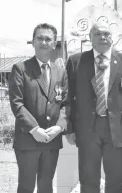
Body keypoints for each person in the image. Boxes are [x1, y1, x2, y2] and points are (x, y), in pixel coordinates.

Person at [65, 21, 122, 193]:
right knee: (88, 178)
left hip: (117, 130)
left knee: (116, 178)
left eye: (106, 34)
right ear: (90, 38)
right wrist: (69, 128)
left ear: (112, 39)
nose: (102, 37)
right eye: (98, 34)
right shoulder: (76, 61)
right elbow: (68, 98)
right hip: (87, 129)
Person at [8, 23, 69, 193]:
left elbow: (66, 103)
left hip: (52, 140)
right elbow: (17, 103)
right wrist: (34, 129)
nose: (43, 42)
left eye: (48, 39)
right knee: (26, 186)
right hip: (28, 139)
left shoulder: (61, 72)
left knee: (46, 186)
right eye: (39, 38)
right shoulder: (21, 69)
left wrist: (59, 127)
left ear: (54, 44)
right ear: (33, 42)